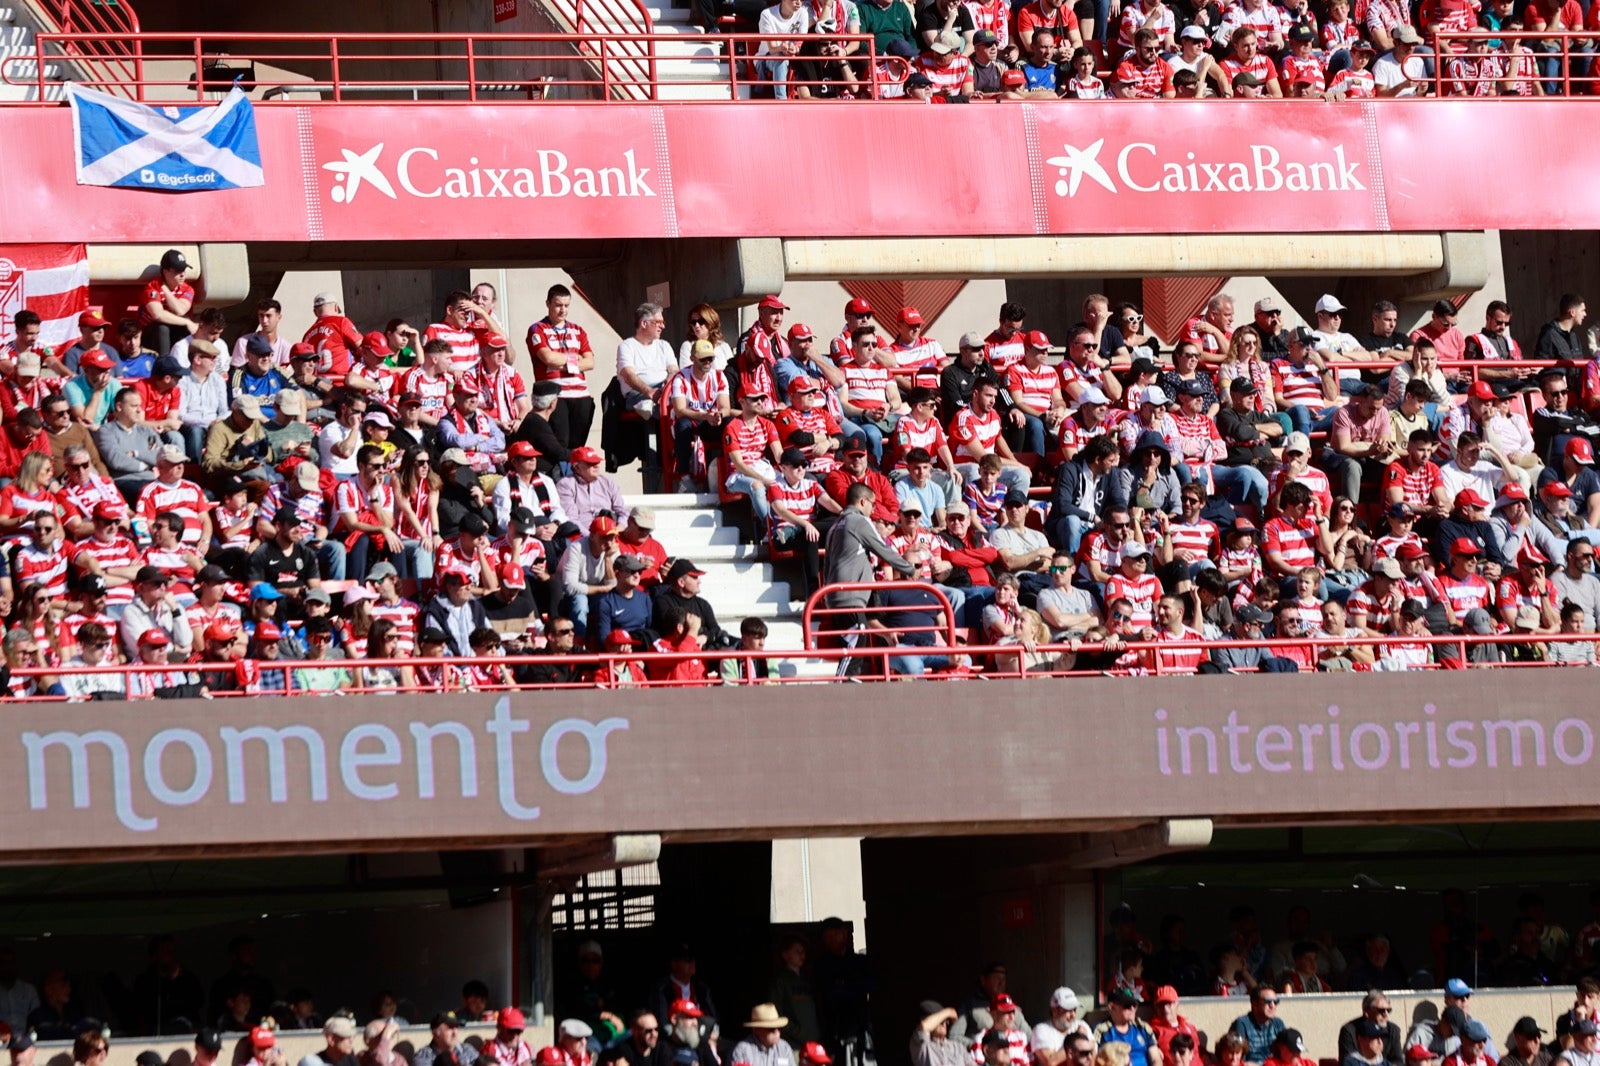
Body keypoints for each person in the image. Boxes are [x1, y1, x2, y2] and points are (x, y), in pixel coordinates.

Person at [1092, 991, 1159, 1066]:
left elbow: (1156, 1059)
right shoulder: (1101, 1031)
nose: (1132, 1009)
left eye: (1134, 1005)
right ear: (1111, 1007)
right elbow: (1095, 1060)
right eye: (1127, 1006)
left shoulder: (1143, 1028)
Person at [1231, 987, 1285, 1064]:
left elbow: (1286, 1054)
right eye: (1268, 1001)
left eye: (1276, 1001)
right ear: (1254, 1004)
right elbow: (1237, 1059)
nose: (1272, 1005)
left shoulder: (1278, 1023)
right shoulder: (1242, 1024)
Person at [730, 1005, 796, 1066]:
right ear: (756, 1030)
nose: (777, 1031)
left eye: (779, 1027)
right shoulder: (742, 1050)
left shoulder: (784, 1048)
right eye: (771, 1028)